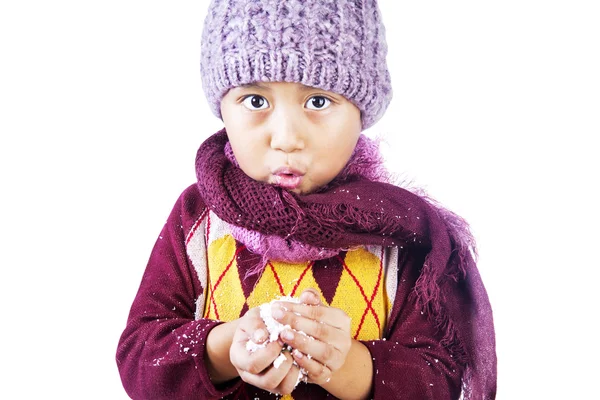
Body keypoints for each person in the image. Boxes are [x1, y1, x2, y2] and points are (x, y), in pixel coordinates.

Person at [116, 1, 497, 399]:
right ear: (222, 106)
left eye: (318, 101)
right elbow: (140, 355)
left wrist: (349, 366)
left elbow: (439, 377)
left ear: (361, 110)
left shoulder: (399, 232)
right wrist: (226, 347)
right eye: (255, 101)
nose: (285, 138)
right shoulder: (200, 216)